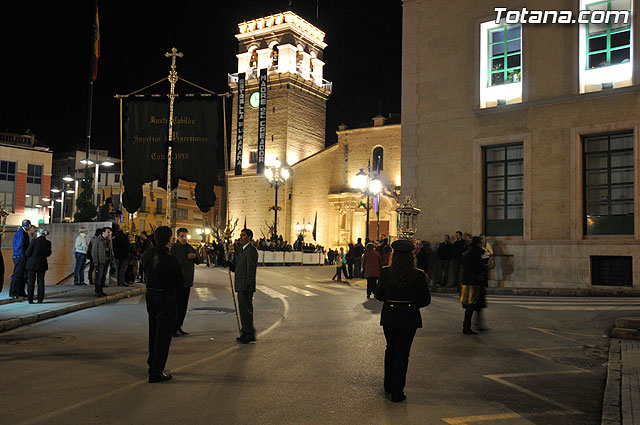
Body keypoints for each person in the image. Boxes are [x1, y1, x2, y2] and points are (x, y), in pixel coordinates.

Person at [374, 239, 431, 403]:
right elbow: (425, 300)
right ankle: (398, 391)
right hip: (409, 317)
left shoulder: (386, 273)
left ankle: (388, 385)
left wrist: (391, 299)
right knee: (403, 353)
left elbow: (378, 295)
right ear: (411, 257)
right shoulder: (419, 275)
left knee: (390, 349)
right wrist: (411, 305)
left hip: (390, 315)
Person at [142, 226, 184, 383]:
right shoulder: (171, 259)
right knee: (163, 335)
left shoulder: (147, 254)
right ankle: (156, 371)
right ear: (169, 240)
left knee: (153, 330)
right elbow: (181, 281)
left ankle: (151, 362)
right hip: (166, 297)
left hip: (151, 295)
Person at [229, 228, 259, 344]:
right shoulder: (242, 250)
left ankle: (249, 333)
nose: (241, 238)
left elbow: (251, 269)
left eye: (243, 236)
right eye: (240, 235)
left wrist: (248, 285)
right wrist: (231, 266)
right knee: (243, 310)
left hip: (245, 286)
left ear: (249, 237)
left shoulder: (251, 250)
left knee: (246, 310)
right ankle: (245, 331)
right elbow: (240, 268)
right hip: (241, 285)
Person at [171, 228, 201, 336]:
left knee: (183, 306)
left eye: (186, 236)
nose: (184, 238)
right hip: (176, 282)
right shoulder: (173, 248)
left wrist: (195, 256)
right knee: (175, 306)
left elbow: (198, 261)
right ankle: (173, 328)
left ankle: (179, 326)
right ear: (178, 236)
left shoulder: (190, 248)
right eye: (182, 236)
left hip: (187, 281)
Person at [460, 236, 487, 335]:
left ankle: (473, 325)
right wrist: (485, 266)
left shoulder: (468, 252)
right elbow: (477, 267)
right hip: (473, 282)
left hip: (468, 281)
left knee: (473, 305)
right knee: (471, 305)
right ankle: (467, 327)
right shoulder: (475, 253)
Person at [25, 227, 52, 304]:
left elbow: (28, 252)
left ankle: (30, 299)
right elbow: (48, 254)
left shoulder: (34, 241)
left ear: (39, 233)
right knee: (41, 282)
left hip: (32, 264)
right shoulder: (48, 243)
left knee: (31, 282)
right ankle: (40, 299)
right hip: (42, 264)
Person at [9, 219, 31, 299]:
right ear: (28, 226)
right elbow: (20, 245)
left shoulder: (22, 232)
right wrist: (23, 255)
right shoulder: (21, 233)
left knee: (22, 275)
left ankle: (20, 292)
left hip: (19, 256)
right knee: (17, 275)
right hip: (20, 256)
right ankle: (14, 292)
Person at [92, 227, 112, 297]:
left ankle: (101, 290)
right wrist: (95, 262)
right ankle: (98, 290)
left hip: (106, 261)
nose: (109, 233)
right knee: (99, 277)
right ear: (103, 232)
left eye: (110, 232)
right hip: (100, 262)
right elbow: (94, 252)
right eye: (108, 232)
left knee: (103, 276)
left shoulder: (108, 240)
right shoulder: (98, 240)